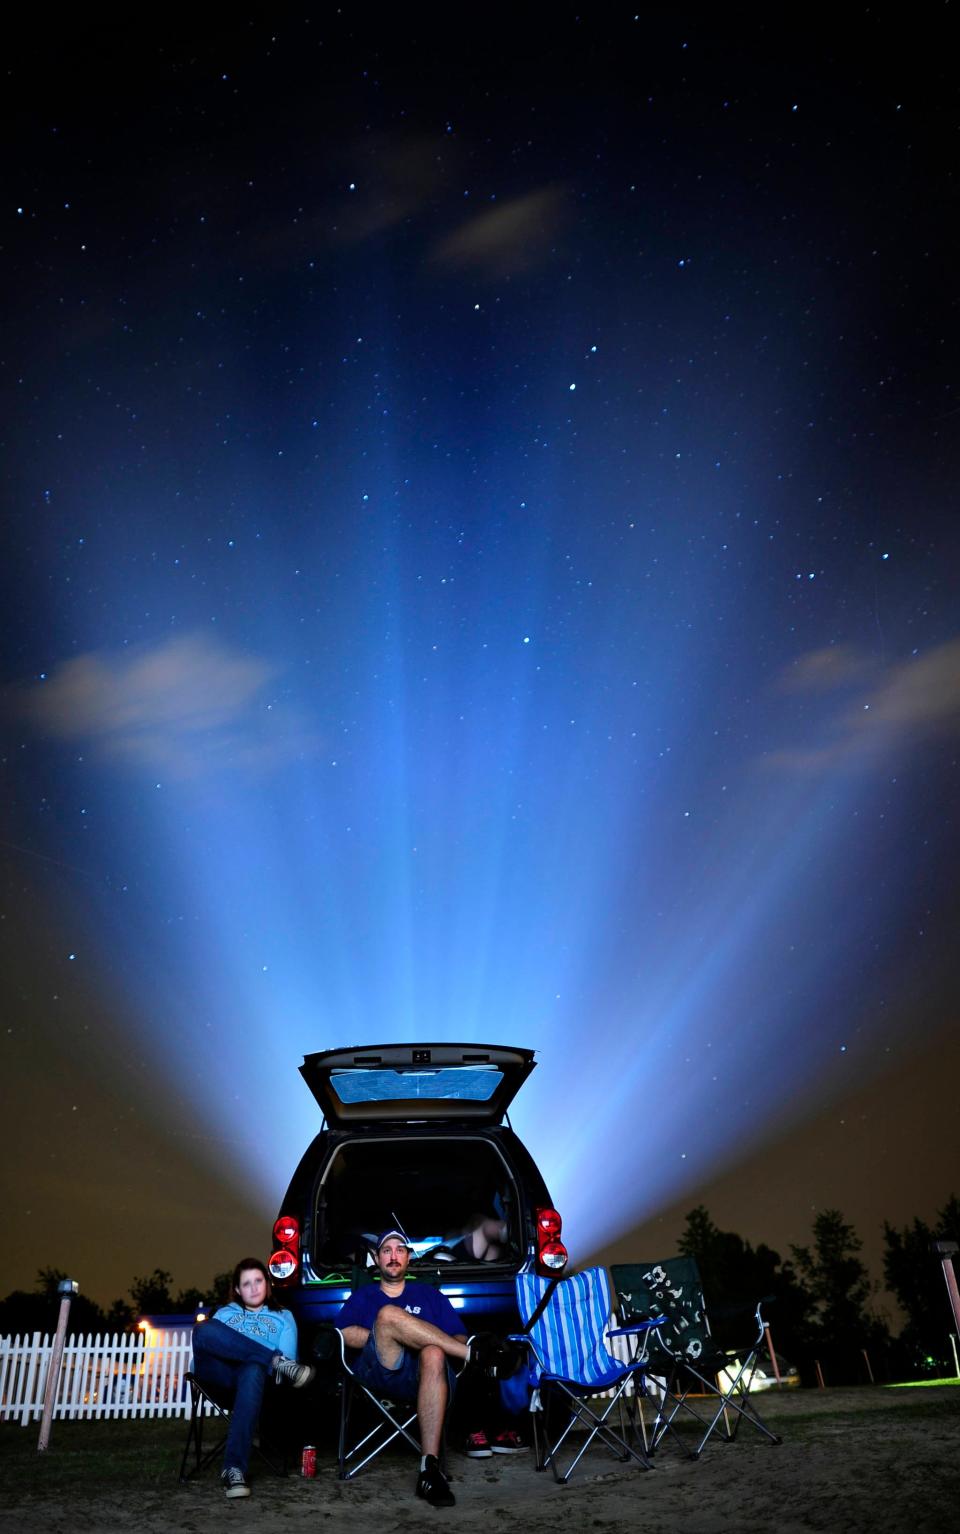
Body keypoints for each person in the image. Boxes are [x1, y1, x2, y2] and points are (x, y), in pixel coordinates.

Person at [337, 1229, 502, 1507]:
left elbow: (458, 1335)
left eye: (399, 1250)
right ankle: (475, 1357)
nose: (393, 1256)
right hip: (383, 1372)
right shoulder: (364, 1296)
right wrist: (389, 1333)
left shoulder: (428, 1295)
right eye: (386, 1251)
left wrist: (421, 1339)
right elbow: (343, 1333)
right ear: (377, 1259)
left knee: (435, 1351)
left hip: (428, 1378)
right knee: (387, 1315)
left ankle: (429, 1468)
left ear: (408, 1258)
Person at [191, 1257, 315, 1499]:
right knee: (202, 1329)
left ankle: (234, 1469)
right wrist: (271, 1358)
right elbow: (204, 1350)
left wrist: (258, 1360)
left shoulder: (283, 1316)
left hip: (257, 1384)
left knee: (253, 1368)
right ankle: (272, 1359)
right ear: (237, 1289)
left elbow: (287, 1366)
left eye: (258, 1281)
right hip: (219, 1377)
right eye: (246, 1284)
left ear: (267, 1284)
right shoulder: (224, 1314)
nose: (254, 1288)